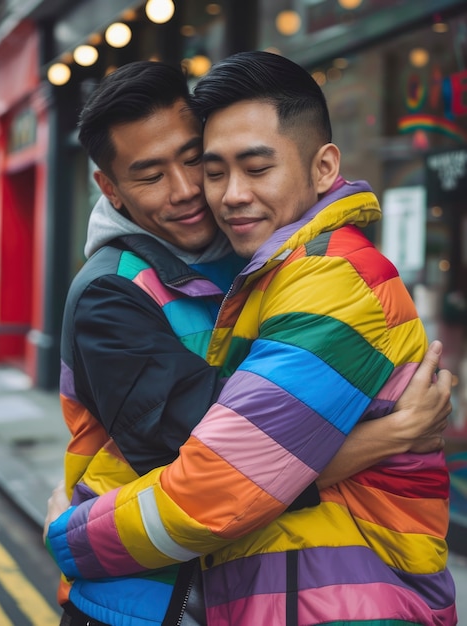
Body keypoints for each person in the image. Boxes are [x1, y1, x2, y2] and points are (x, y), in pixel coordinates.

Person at [46, 57, 455, 626]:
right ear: (110, 189)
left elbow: (246, 463)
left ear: (320, 167)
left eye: (195, 162)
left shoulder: (289, 268)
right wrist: (382, 438)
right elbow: (218, 462)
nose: (190, 190)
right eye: (150, 174)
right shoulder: (110, 292)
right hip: (141, 604)